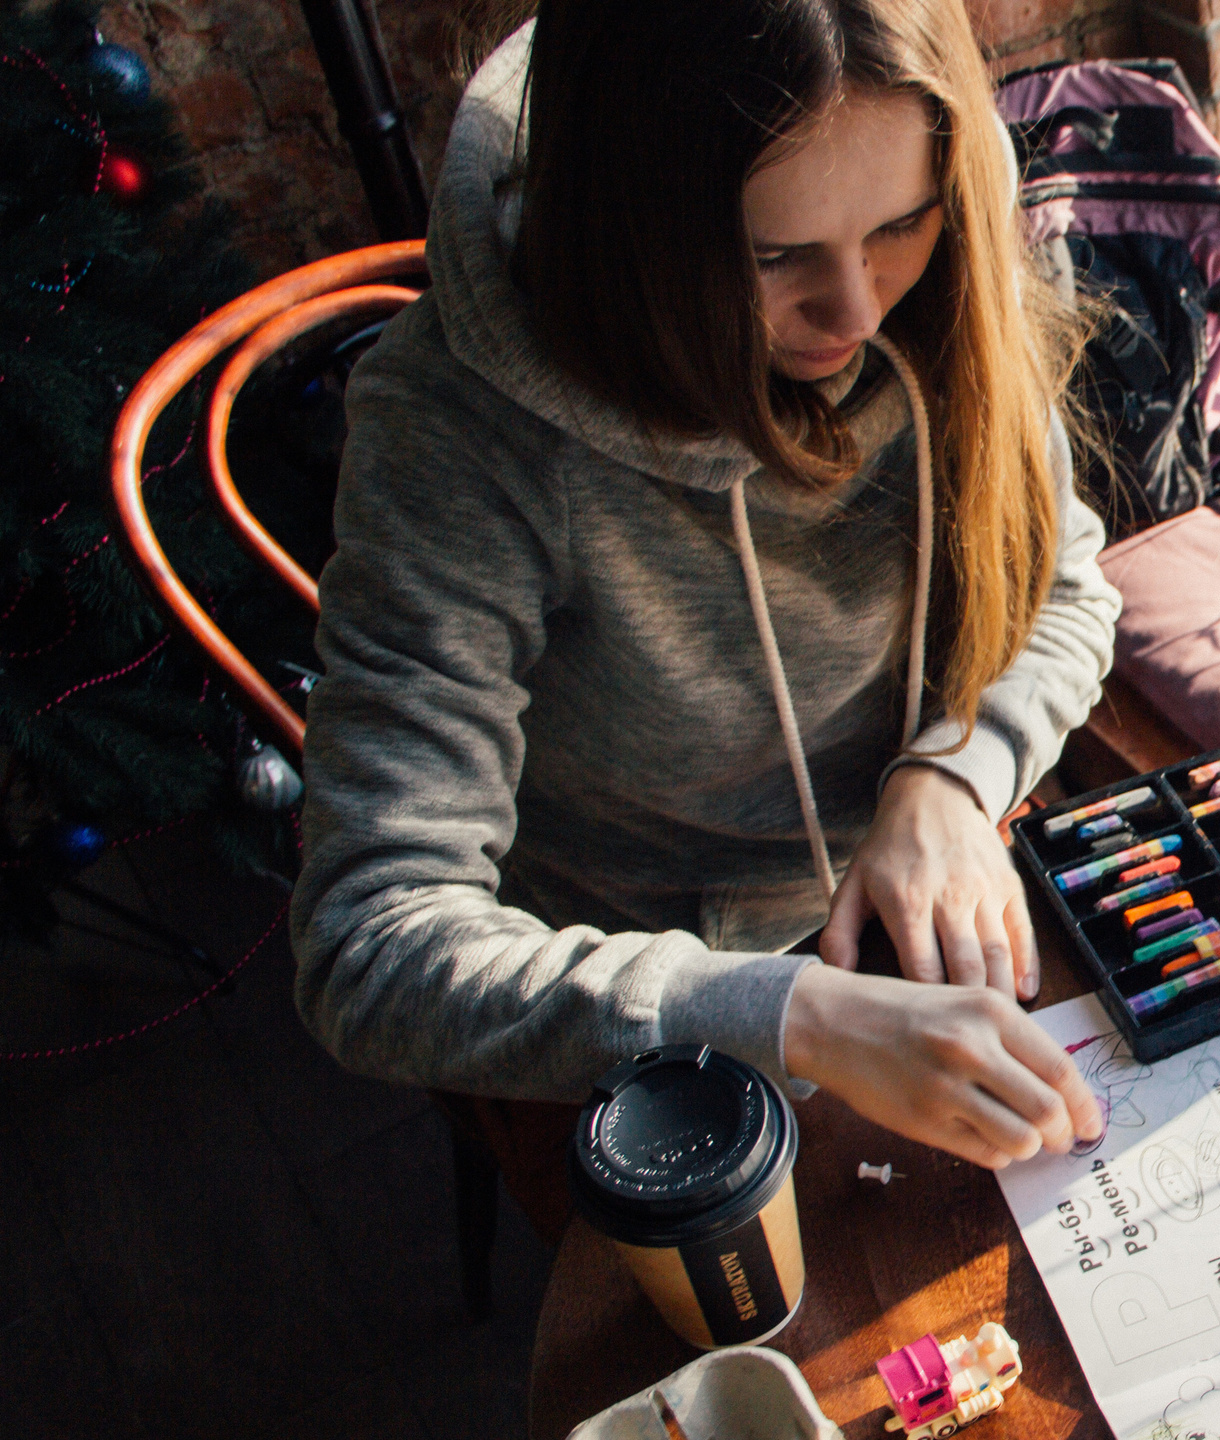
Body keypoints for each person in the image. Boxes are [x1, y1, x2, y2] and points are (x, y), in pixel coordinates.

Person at [291, 0, 1117, 1188]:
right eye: (774, 258)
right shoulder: (461, 430)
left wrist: (950, 773)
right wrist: (790, 1014)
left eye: (898, 225)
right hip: (649, 1008)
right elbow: (370, 945)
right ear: (631, 233)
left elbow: (1065, 584)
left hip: (930, 882)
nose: (859, 311)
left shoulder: (945, 270)